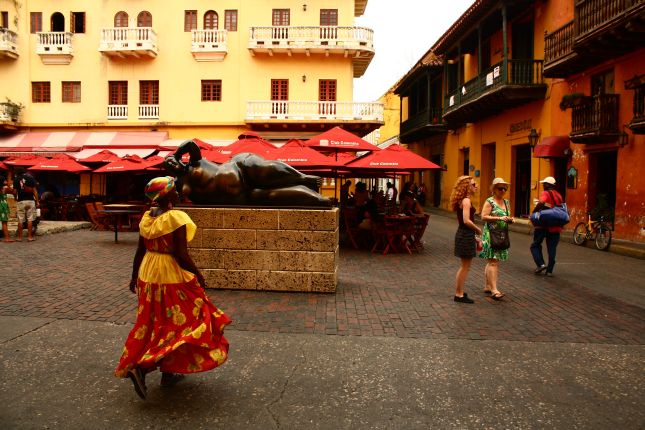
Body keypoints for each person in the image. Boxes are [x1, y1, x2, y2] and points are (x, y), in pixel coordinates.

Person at [115, 176, 231, 400]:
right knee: (188, 319)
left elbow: (140, 250)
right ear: (166, 195)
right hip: (170, 273)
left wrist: (133, 277)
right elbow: (180, 254)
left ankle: (168, 372)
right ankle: (142, 368)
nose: (178, 193)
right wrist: (198, 275)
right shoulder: (177, 218)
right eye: (174, 190)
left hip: (148, 272)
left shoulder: (147, 217)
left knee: (155, 322)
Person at [164, 140, 331, 207]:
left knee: (268, 170)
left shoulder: (195, 161)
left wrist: (177, 153)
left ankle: (303, 178)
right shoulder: (179, 183)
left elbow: (190, 144)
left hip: (240, 168)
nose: (173, 164)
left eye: (172, 160)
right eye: (169, 165)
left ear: (179, 159)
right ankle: (317, 199)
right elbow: (175, 199)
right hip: (240, 198)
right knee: (275, 195)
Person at [479, 178, 514, 300]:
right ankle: (494, 290)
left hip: (501, 234)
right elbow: (483, 217)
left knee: (492, 261)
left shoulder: (506, 202)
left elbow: (507, 216)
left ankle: (488, 286)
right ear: (494, 189)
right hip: (490, 234)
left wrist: (510, 219)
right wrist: (499, 219)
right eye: (500, 188)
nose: (503, 190)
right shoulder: (490, 202)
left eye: (505, 188)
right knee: (493, 261)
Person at [450, 176, 482, 304]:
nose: (476, 186)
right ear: (467, 186)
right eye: (474, 184)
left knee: (465, 266)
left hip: (464, 234)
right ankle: (459, 294)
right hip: (465, 234)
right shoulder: (466, 201)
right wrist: (477, 229)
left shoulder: (463, 200)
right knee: (465, 267)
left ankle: (460, 292)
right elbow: (466, 220)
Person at [530, 176, 564, 277]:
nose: (543, 185)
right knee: (552, 248)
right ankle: (549, 270)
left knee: (535, 245)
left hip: (543, 225)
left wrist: (534, 212)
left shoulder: (545, 193)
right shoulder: (558, 195)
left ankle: (541, 264)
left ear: (548, 185)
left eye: (544, 183)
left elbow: (541, 202)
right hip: (556, 226)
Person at [12, 168, 39, 242]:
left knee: (20, 220)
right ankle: (29, 237)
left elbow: (14, 192)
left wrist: (15, 198)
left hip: (21, 201)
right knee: (30, 219)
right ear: (24, 172)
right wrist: (37, 201)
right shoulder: (30, 178)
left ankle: (19, 237)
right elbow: (34, 191)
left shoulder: (16, 179)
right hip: (30, 201)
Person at [1, 175, 14, 243]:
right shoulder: (4, 189)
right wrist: (8, 183)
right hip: (2, 206)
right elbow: (12, 191)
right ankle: (7, 238)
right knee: (4, 222)